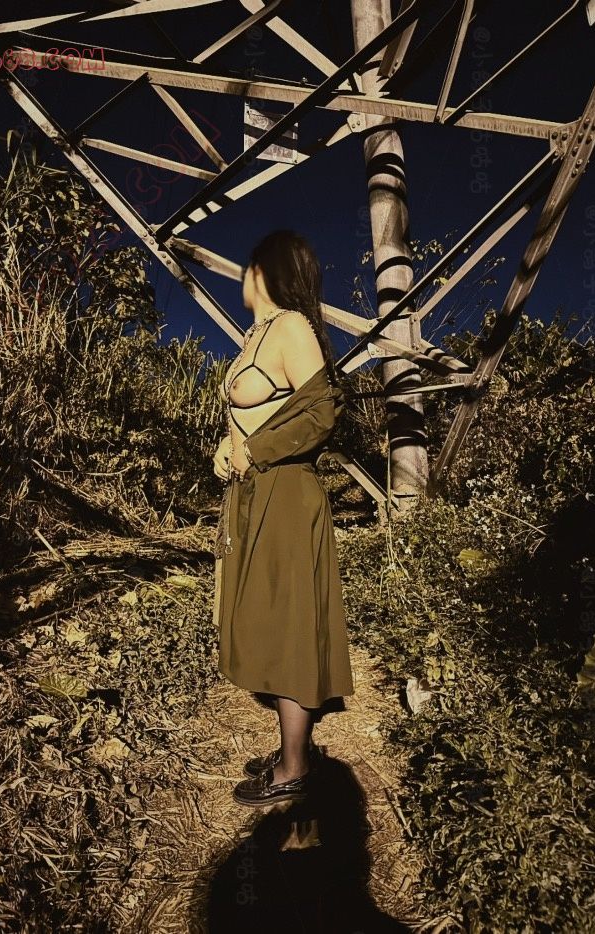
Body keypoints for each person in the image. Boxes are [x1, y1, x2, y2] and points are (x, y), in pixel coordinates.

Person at [212, 230, 355, 808]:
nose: (241, 278)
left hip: (287, 493)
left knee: (288, 621)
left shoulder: (291, 325)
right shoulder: (259, 333)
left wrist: (255, 450)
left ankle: (295, 767)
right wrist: (228, 446)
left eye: (247, 267)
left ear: (263, 271)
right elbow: (262, 414)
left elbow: (323, 409)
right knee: (266, 615)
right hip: (256, 492)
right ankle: (294, 749)